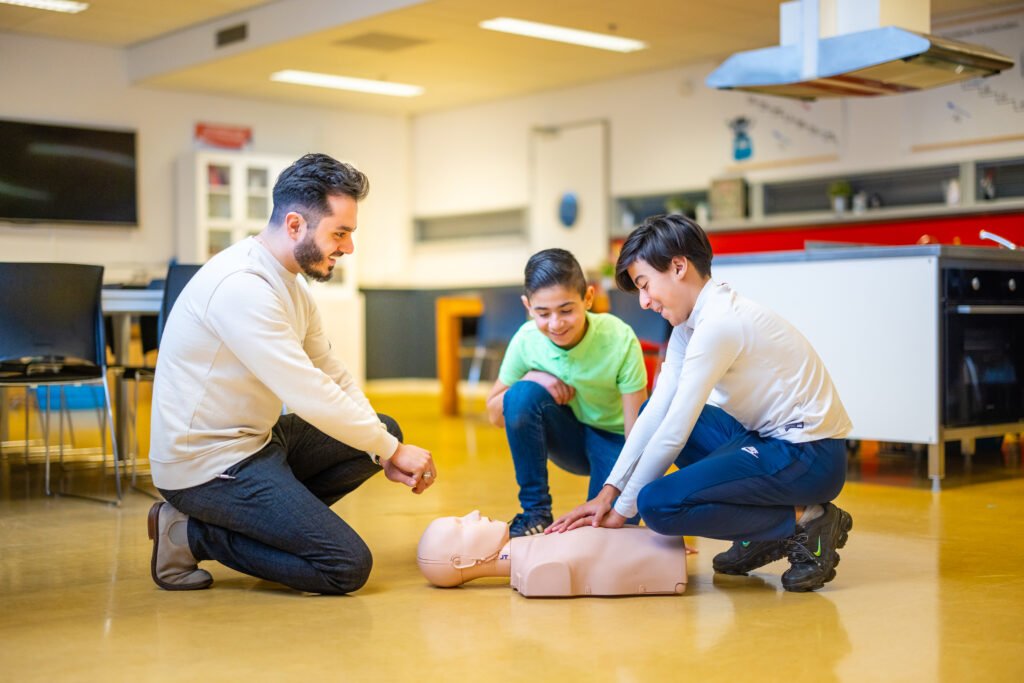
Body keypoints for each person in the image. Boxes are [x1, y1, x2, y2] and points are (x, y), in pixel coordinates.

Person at [147, 153, 437, 595]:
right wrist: (392, 450)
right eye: (339, 233)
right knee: (345, 566)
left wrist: (385, 449)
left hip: (255, 441)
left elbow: (332, 374)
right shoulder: (242, 286)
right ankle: (188, 534)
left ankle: (270, 525)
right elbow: (307, 392)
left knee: (380, 431)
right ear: (296, 225)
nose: (348, 247)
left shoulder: (289, 282)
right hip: (206, 467)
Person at [549, 214, 853, 593]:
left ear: (678, 267)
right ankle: (760, 529)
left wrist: (624, 511)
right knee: (649, 413)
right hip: (764, 439)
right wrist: (608, 493)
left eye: (645, 285)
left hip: (811, 457)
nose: (643, 302)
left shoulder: (720, 323)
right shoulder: (688, 325)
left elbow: (675, 430)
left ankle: (806, 521)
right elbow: (658, 412)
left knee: (657, 504)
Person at [485, 248, 648, 537]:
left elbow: (637, 432)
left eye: (566, 310)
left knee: (609, 531)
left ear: (588, 298)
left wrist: (626, 497)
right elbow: (496, 414)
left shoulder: (619, 339)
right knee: (521, 394)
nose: (556, 324)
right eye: (543, 313)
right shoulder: (526, 340)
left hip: (615, 440)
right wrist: (535, 377)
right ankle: (535, 513)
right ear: (528, 306)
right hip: (568, 436)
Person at [417, 511, 687, 597]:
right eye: (461, 525)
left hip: (664, 545)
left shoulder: (536, 548)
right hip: (667, 561)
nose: (473, 514)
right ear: (461, 562)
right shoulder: (539, 571)